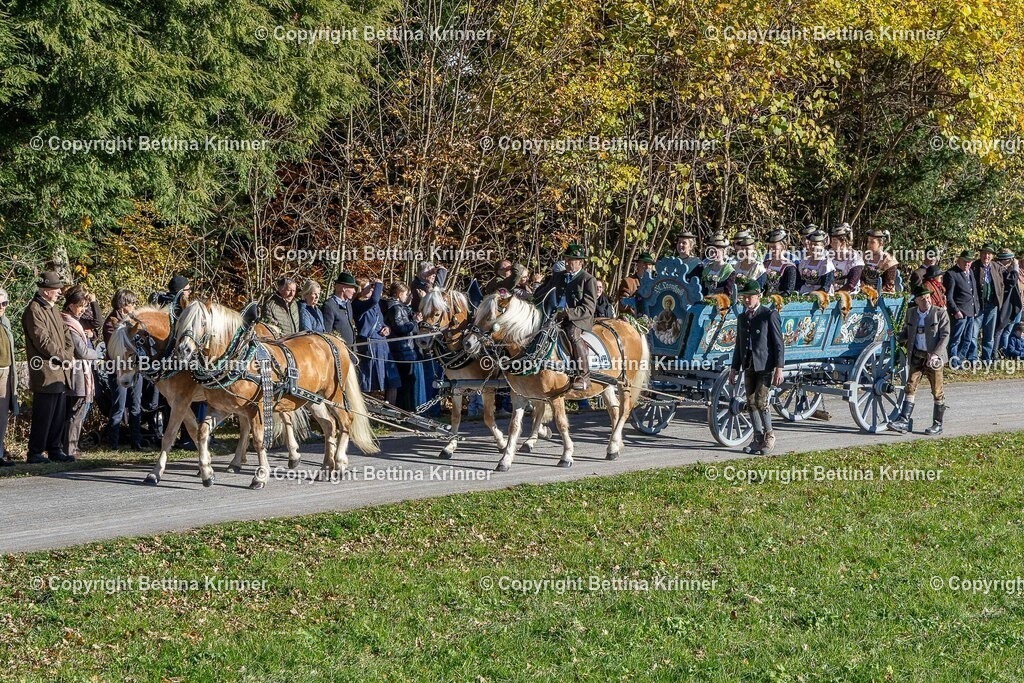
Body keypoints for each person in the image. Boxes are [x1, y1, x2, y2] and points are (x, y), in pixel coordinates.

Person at [22, 271, 75, 463]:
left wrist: (68, 354)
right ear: (46, 291)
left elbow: (66, 332)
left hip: (60, 370)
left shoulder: (52, 309)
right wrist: (64, 357)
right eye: (56, 288)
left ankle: (55, 449)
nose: (60, 291)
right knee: (43, 414)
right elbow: (42, 340)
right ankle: (35, 452)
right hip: (45, 371)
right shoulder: (34, 310)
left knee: (58, 413)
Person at [729, 280, 784, 455]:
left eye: (750, 297)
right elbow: (739, 344)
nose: (747, 300)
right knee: (751, 402)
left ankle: (770, 435)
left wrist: (779, 368)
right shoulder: (742, 318)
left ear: (758, 296)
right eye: (744, 297)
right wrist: (734, 368)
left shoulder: (769, 315)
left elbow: (778, 344)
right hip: (749, 363)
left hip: (765, 365)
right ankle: (757, 438)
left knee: (761, 400)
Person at [888, 283, 950, 435]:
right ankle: (904, 420)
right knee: (910, 387)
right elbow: (906, 333)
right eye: (923, 299)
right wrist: (895, 336)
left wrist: (935, 354)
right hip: (916, 355)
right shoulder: (911, 313)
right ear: (916, 301)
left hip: (934, 357)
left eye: (928, 298)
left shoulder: (940, 313)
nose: (927, 301)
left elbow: (945, 335)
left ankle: (937, 424)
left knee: (937, 390)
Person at [535, 244, 598, 390]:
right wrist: (534, 298)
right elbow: (543, 292)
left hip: (578, 319)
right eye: (567, 260)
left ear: (580, 262)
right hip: (554, 316)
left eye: (572, 260)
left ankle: (583, 376)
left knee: (572, 334)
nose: (568, 263)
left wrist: (567, 313)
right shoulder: (558, 276)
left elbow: (588, 308)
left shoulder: (588, 280)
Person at [102, 289, 145, 450]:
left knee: (136, 405)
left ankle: (136, 441)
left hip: (134, 368)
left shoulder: (131, 320)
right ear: (123, 304)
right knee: (118, 407)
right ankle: (113, 443)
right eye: (131, 303)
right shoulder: (110, 323)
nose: (134, 306)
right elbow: (117, 346)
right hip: (119, 369)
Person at [61, 289, 100, 459]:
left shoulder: (72, 321)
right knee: (75, 412)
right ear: (70, 305)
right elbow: (83, 352)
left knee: (75, 412)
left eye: (85, 306)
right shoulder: (70, 324)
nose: (83, 310)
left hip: (78, 371)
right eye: (80, 306)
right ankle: (70, 449)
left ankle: (71, 447)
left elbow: (97, 321)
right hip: (77, 373)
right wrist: (99, 353)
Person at [383, 282, 425, 412]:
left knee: (409, 381)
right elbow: (401, 328)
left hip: (407, 349)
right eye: (405, 293)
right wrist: (414, 322)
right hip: (401, 350)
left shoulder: (401, 308)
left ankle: (408, 409)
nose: (408, 296)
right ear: (397, 293)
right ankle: (405, 410)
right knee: (406, 382)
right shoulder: (395, 308)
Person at [353, 277, 395, 393]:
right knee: (369, 377)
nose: (372, 289)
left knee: (389, 379)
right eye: (368, 287)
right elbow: (375, 300)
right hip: (370, 344)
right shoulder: (357, 304)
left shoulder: (374, 305)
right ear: (360, 290)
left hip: (382, 343)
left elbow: (380, 321)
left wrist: (387, 328)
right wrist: (379, 284)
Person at [943, 250, 980, 365]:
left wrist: (976, 308)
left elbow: (974, 292)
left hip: (971, 311)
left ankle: (960, 360)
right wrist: (956, 311)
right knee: (956, 339)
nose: (967, 264)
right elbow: (949, 297)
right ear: (959, 260)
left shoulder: (971, 272)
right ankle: (954, 361)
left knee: (968, 339)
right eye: (965, 261)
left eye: (969, 262)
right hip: (960, 312)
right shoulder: (951, 273)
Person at [0, 289, 19, 466]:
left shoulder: (5, 322)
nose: (1, 307)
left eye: (4, 303)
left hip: (6, 372)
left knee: (2, 415)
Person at [324, 272, 358, 347]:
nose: (354, 291)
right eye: (352, 288)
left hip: (351, 350)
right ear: (344, 288)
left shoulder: (348, 304)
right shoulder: (329, 305)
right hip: (338, 351)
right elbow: (327, 333)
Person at [998, 252, 1023, 354]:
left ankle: (1013, 351)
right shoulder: (1005, 271)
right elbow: (1013, 282)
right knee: (1006, 331)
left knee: (1015, 331)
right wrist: (1015, 267)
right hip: (1009, 306)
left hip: (1018, 306)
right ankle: (1004, 351)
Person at [829, 223, 864, 292]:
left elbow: (851, 284)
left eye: (834, 241)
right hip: (829, 292)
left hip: (848, 293)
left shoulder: (855, 257)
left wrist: (837, 294)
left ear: (843, 242)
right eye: (831, 240)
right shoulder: (829, 254)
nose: (831, 244)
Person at [862, 229, 899, 293]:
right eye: (868, 242)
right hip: (864, 292)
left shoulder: (889, 259)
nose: (868, 244)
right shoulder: (865, 257)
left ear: (881, 243)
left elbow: (889, 284)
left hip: (882, 294)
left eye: (872, 242)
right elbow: (860, 277)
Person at [763, 229, 798, 295]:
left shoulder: (789, 267)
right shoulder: (766, 264)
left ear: (782, 246)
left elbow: (788, 290)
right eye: (770, 247)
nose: (771, 250)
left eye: (774, 247)